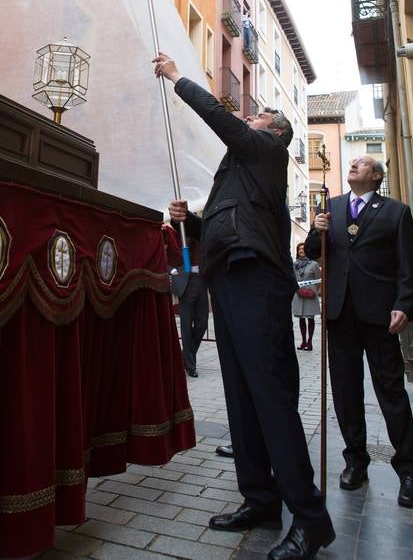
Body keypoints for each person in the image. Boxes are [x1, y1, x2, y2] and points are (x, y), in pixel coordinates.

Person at [154, 52, 334, 560]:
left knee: (271, 398)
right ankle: (260, 498)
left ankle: (310, 517)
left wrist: (177, 79)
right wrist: (190, 222)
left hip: (258, 282)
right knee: (239, 396)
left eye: (256, 118)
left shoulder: (268, 154)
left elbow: (222, 119)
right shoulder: (238, 172)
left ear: (273, 134)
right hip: (228, 279)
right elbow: (223, 228)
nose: (249, 119)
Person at [305, 156, 413, 507]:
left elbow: (407, 264)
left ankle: (410, 470)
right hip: (340, 314)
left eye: (363, 164)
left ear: (376, 176)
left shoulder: (396, 212)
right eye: (353, 163)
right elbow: (313, 252)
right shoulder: (334, 207)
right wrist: (317, 229)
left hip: (380, 315)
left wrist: (404, 304)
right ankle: (356, 461)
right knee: (345, 392)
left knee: (391, 392)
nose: (354, 165)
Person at [168, 232, 209, 378]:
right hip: (186, 283)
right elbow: (163, 253)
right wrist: (171, 270)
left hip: (202, 282)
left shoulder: (202, 234)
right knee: (186, 326)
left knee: (202, 324)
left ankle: (185, 357)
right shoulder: (177, 235)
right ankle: (191, 366)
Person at [292, 242, 320, 351]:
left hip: (310, 294)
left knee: (310, 317)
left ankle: (310, 342)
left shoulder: (313, 264)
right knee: (301, 318)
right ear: (297, 251)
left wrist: (312, 290)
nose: (301, 250)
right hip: (298, 293)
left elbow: (318, 280)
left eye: (303, 249)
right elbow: (293, 278)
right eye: (299, 249)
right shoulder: (294, 265)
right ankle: (303, 342)